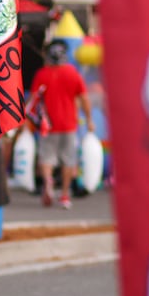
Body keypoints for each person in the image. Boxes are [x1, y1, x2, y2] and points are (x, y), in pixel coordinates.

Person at [28, 39, 94, 210]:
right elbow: (84, 98)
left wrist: (28, 120)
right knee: (68, 160)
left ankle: (48, 182)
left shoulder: (42, 74)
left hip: (47, 125)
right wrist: (89, 120)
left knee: (46, 158)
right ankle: (65, 195)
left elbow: (34, 100)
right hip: (69, 125)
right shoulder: (73, 73)